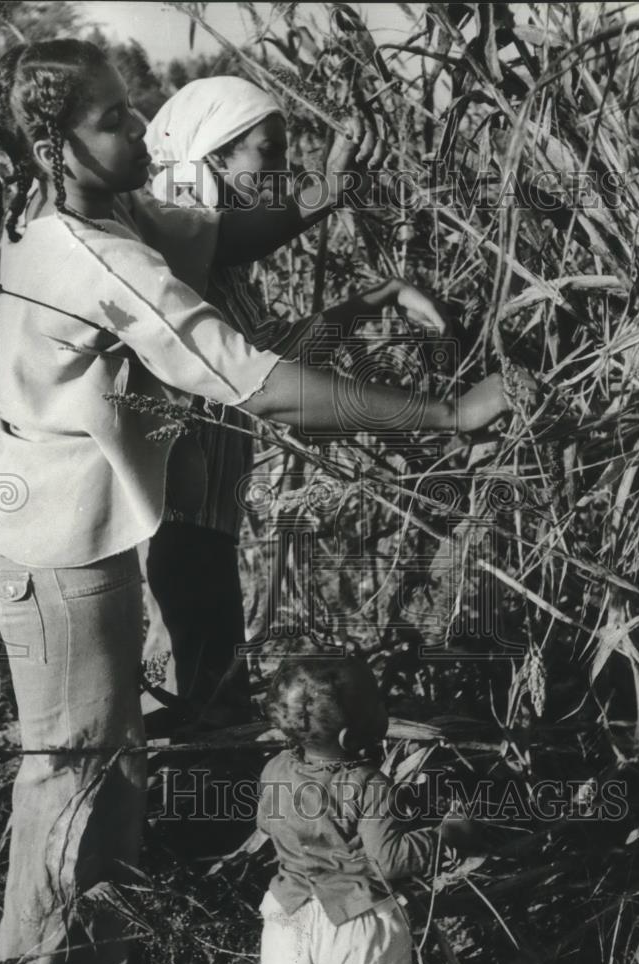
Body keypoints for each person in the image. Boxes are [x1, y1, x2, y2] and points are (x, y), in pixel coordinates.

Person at [0, 39, 510, 964]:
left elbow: (217, 240)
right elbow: (255, 381)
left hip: (58, 519)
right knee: (77, 781)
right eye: (113, 119)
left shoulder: (94, 208)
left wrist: (324, 197)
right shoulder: (96, 255)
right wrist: (447, 414)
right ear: (57, 145)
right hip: (49, 539)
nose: (139, 124)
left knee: (106, 769)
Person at [144, 77, 453, 726]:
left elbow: (274, 357)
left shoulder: (215, 269)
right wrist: (330, 189)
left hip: (206, 517)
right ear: (211, 157)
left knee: (211, 686)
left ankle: (208, 806)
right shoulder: (161, 236)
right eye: (268, 151)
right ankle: (190, 811)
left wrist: (381, 297)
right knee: (182, 689)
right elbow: (240, 248)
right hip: (167, 520)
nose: (282, 171)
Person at [256, 659, 474, 964]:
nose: (384, 707)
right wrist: (445, 836)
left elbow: (266, 823)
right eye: (377, 703)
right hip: (357, 925)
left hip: (288, 916)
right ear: (350, 736)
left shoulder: (274, 769)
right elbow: (388, 859)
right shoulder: (369, 784)